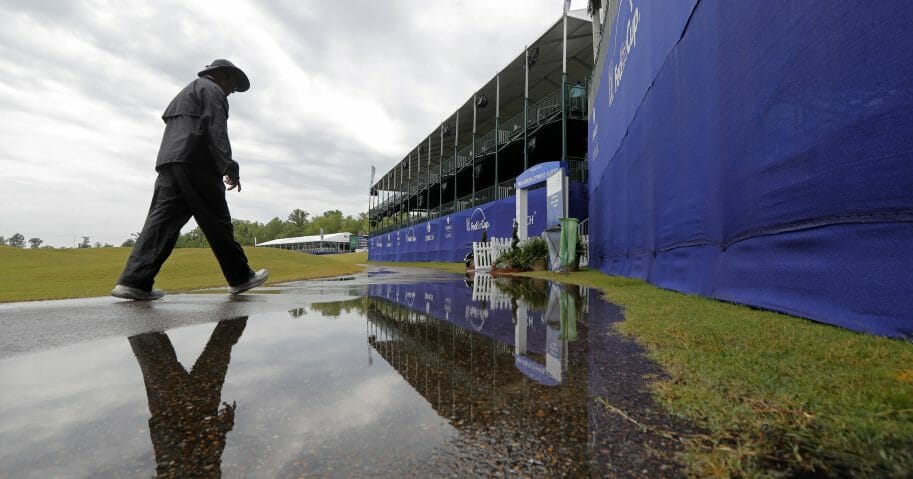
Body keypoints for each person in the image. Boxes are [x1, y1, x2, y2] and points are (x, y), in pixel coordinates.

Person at [112, 59, 268, 300]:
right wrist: (229, 166)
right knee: (217, 222)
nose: (232, 91)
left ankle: (134, 281)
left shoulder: (187, 91)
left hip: (170, 162)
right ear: (223, 76)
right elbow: (215, 129)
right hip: (197, 163)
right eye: (233, 86)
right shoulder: (213, 91)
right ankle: (240, 277)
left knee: (160, 223)